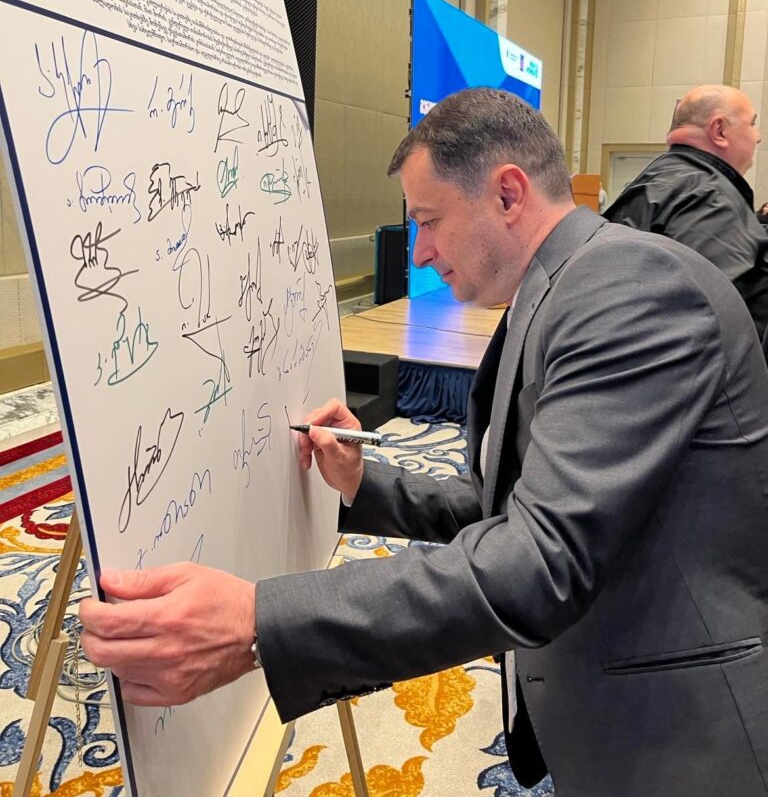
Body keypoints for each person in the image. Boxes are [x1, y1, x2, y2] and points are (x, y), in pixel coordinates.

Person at [80, 88, 768, 796]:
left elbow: (539, 560)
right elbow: (507, 505)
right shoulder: (560, 287)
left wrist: (258, 623)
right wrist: (361, 485)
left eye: (430, 221)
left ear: (508, 194)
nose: (421, 251)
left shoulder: (629, 289)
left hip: (687, 737)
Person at [604, 84, 768, 339]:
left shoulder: (659, 178)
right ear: (719, 130)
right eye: (752, 123)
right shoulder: (709, 199)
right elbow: (704, 322)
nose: (758, 137)